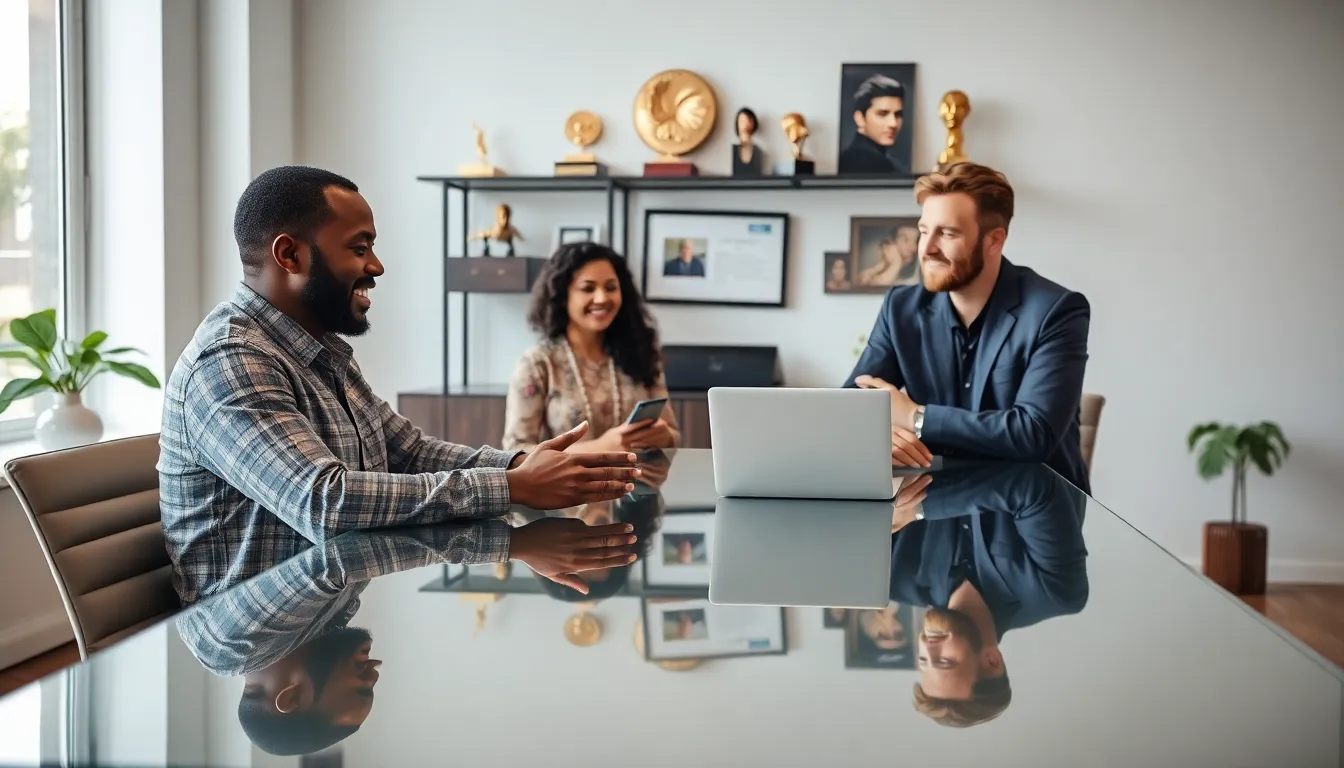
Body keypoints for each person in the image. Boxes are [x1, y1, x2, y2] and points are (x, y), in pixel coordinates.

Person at [159, 165, 642, 605]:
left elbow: (408, 452)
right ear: (289, 255)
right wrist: (512, 485)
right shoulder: (229, 360)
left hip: (320, 613)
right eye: (359, 247)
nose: (377, 266)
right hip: (253, 634)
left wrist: (524, 465)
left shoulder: (321, 351)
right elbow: (325, 503)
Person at [844, 162, 1093, 494]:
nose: (927, 248)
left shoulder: (1055, 311)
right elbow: (851, 407)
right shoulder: (901, 308)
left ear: (994, 240)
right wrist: (879, 433)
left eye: (947, 233)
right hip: (933, 505)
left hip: (1032, 516)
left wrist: (917, 418)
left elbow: (1033, 435)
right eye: (923, 230)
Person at [889, 461, 1090, 727]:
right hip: (1016, 424)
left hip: (908, 433)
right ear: (991, 660)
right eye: (945, 661)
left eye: (924, 661)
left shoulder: (894, 578)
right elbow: (1034, 485)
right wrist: (919, 509)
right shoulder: (1056, 592)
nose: (927, 646)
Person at [504, 242, 681, 454]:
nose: (602, 298)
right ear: (563, 297)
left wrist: (665, 435)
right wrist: (601, 448)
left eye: (611, 287)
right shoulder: (538, 364)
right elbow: (513, 452)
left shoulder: (640, 353)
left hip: (636, 484)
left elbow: (673, 434)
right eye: (588, 288)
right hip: (562, 487)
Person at [838, 74, 908, 174]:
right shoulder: (870, 162)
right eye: (882, 114)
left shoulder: (882, 161)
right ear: (860, 118)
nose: (893, 123)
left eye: (898, 114)